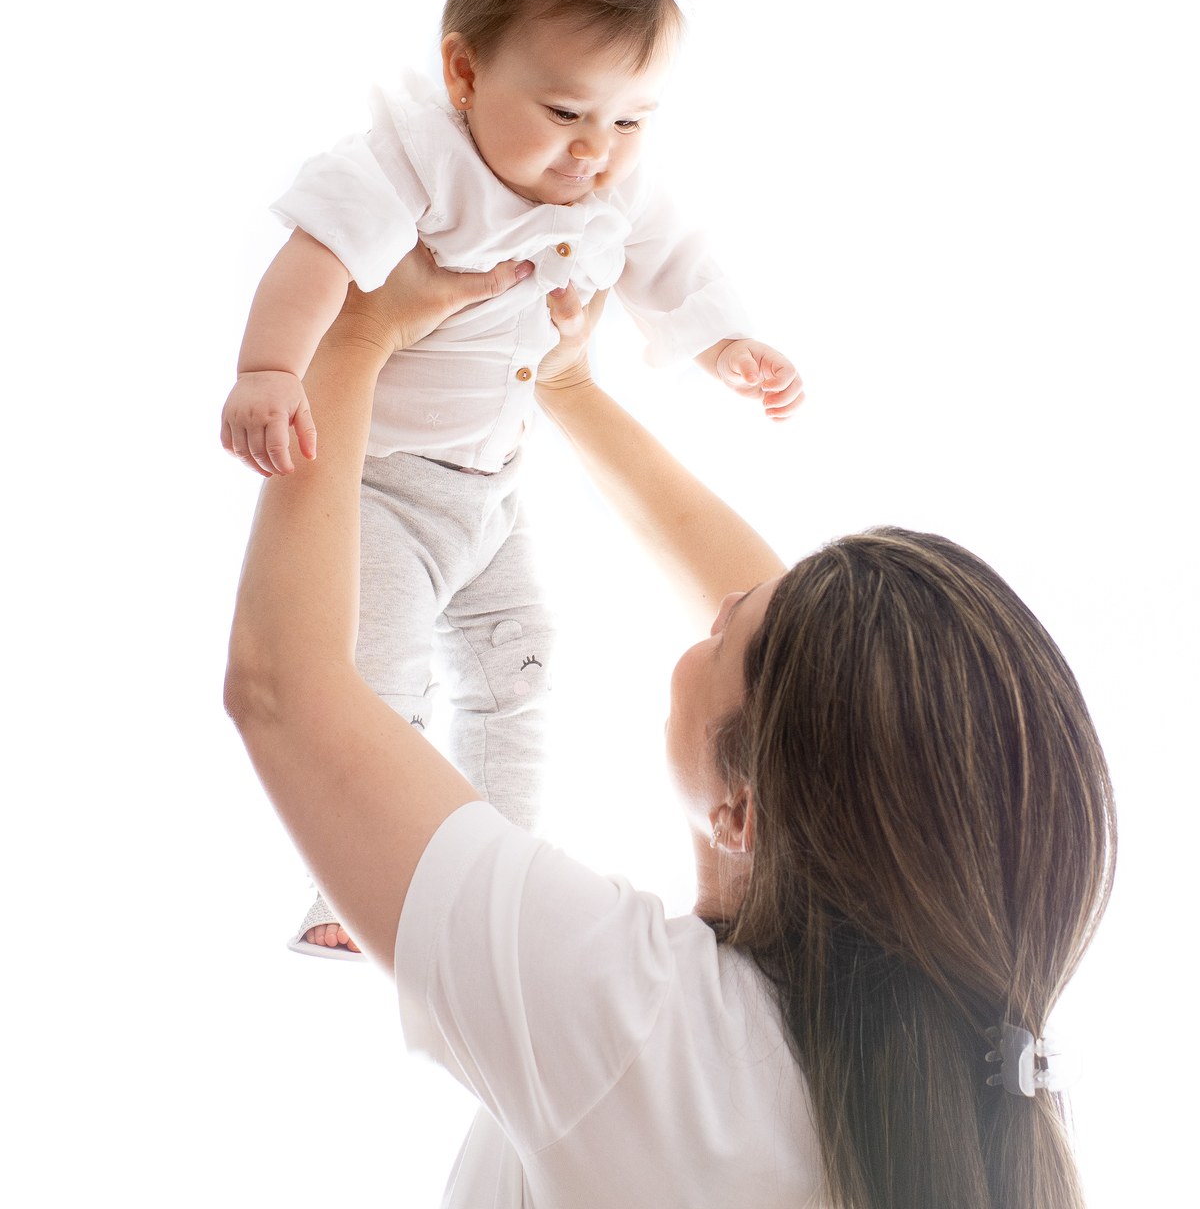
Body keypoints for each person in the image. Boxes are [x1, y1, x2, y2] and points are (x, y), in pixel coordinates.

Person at [225, 246, 1116, 1209]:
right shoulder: (950, 1082)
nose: (717, 608)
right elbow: (821, 709)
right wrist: (564, 386)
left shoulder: (629, 1021)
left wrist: (354, 336)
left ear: (743, 809)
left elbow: (287, 689)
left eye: (725, 629)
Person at [220, 0, 802, 952]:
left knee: (519, 663)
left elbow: (674, 261)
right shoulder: (415, 162)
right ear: (463, 70)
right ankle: (352, 884)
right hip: (379, 484)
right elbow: (313, 259)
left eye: (632, 118)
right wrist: (269, 372)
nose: (598, 150)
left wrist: (729, 344)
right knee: (375, 676)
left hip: (493, 485)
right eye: (567, 112)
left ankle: (502, 863)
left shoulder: (611, 185)